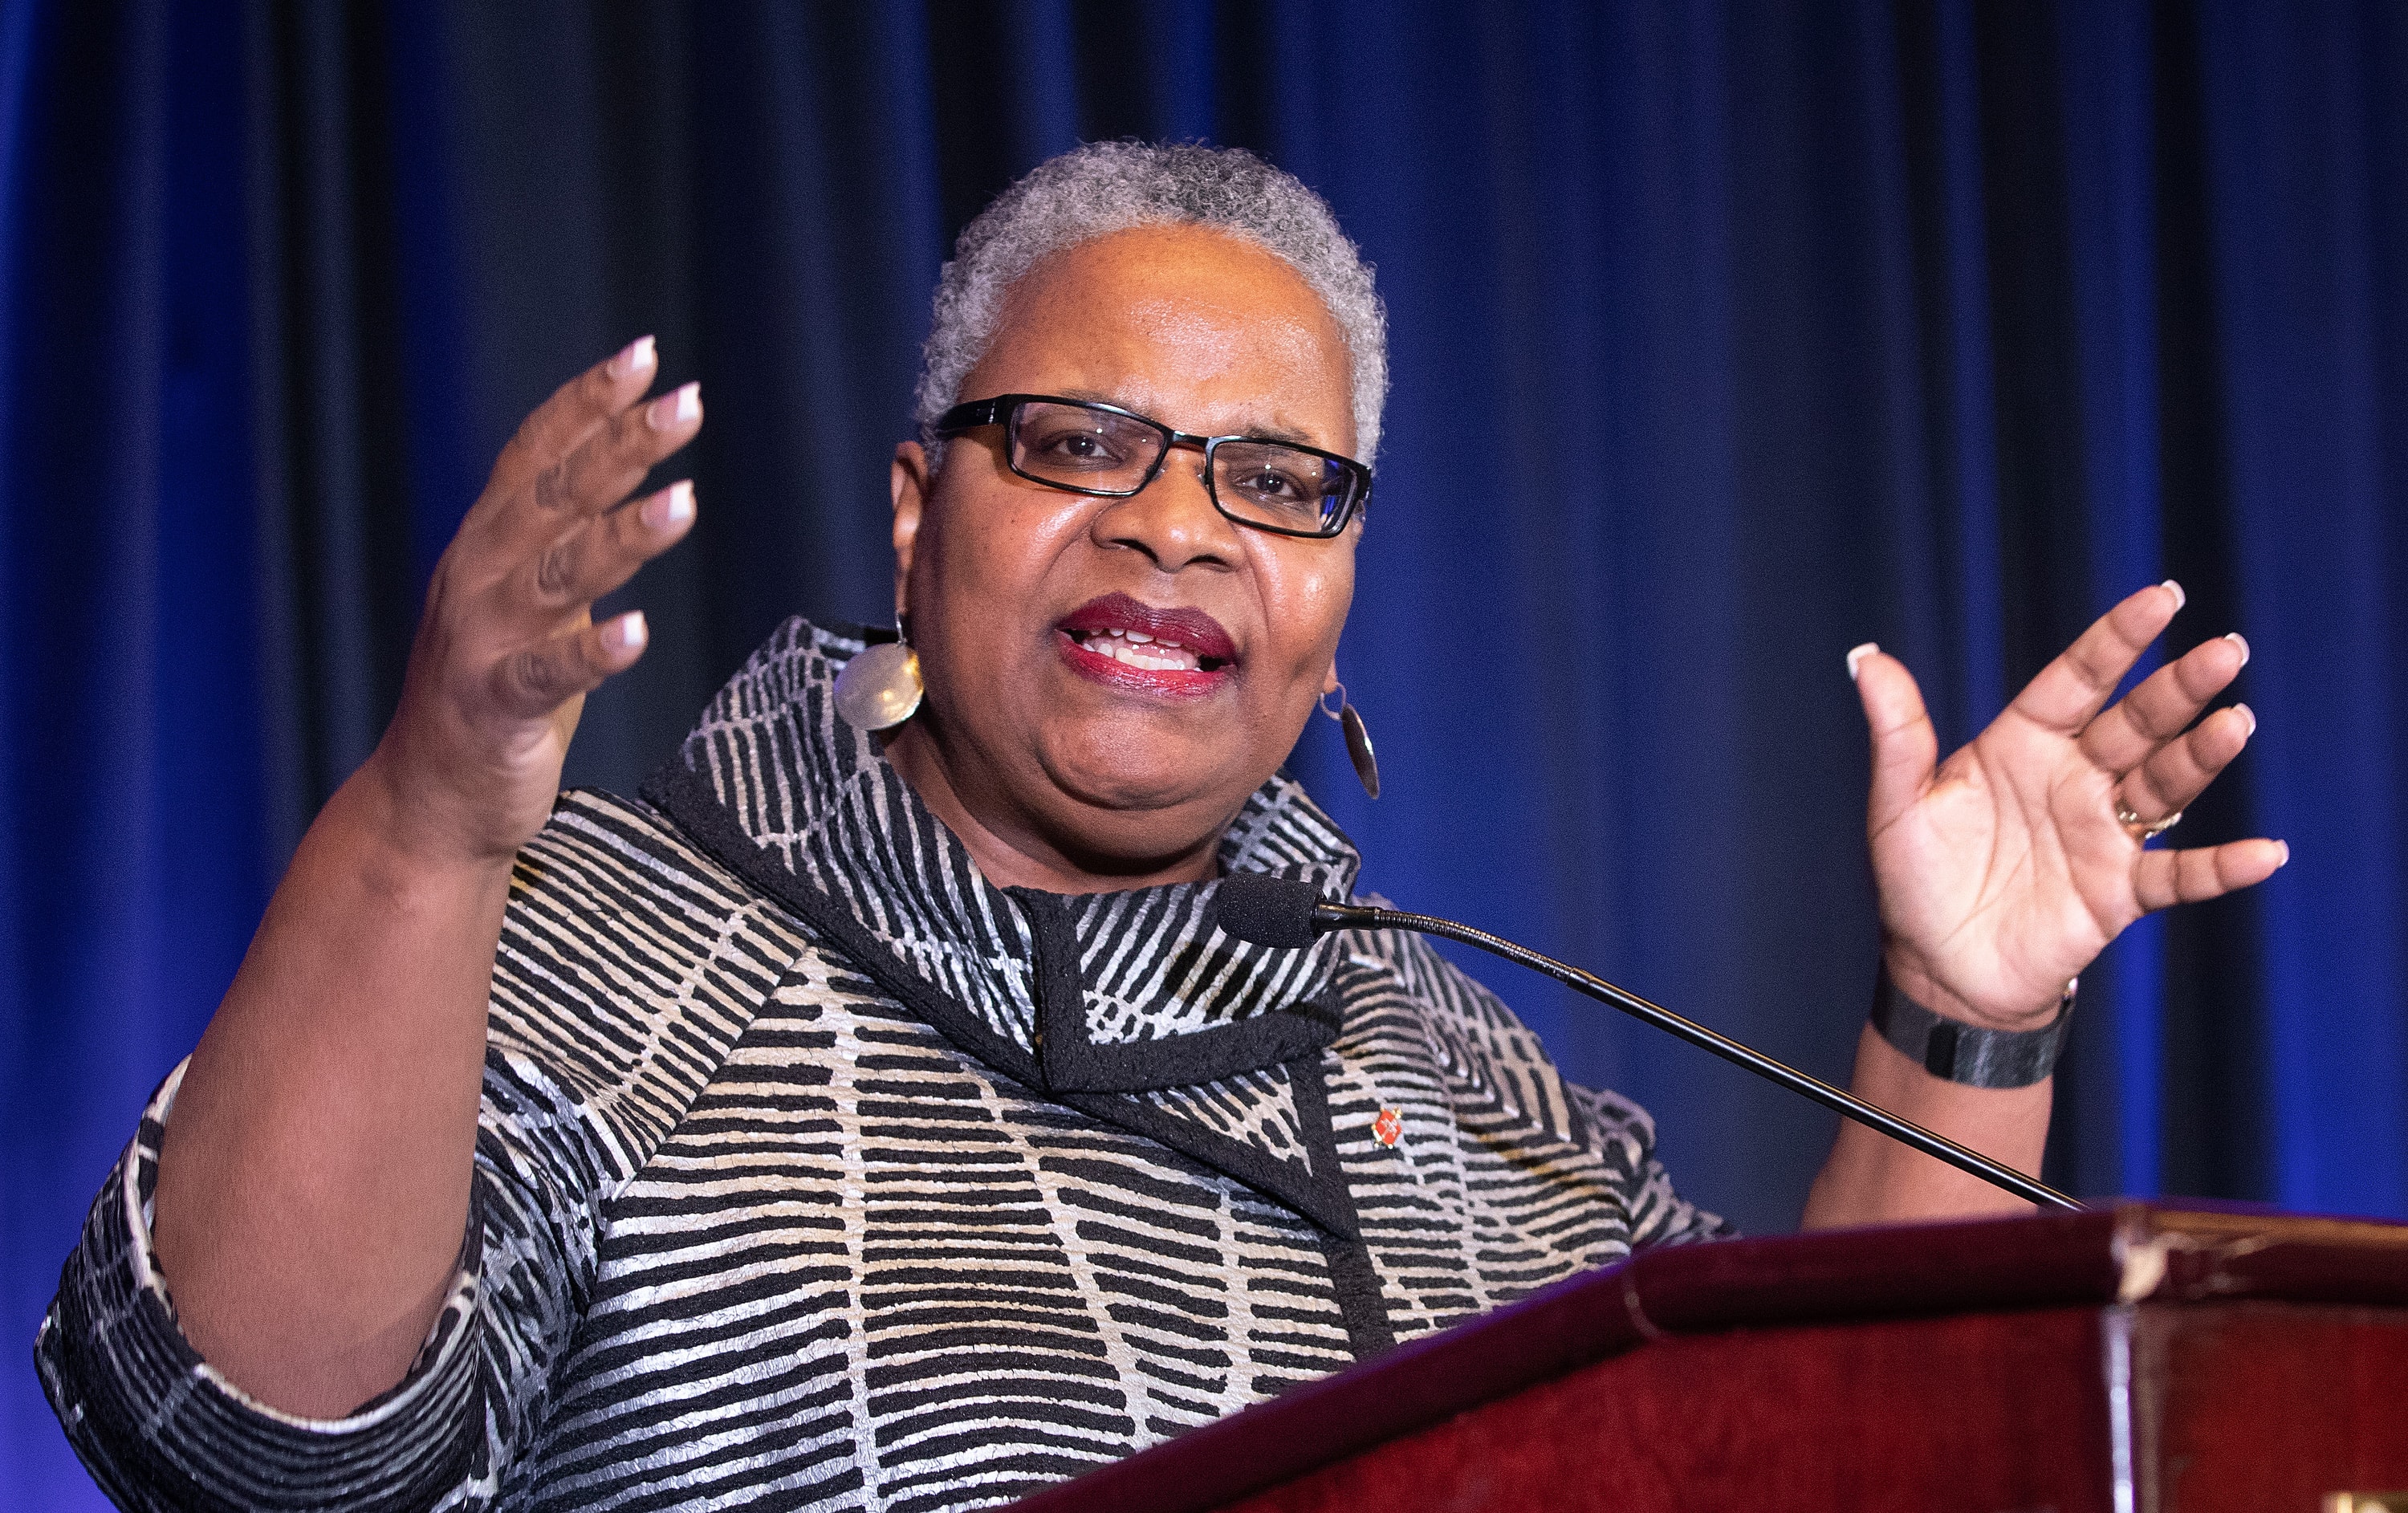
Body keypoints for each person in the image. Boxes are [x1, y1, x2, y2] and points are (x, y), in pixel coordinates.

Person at [38, 143, 2281, 1513]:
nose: (1180, 526)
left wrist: (1962, 1016)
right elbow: (252, 1446)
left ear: (1339, 589)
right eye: (1081, 442)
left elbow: (1818, 1471)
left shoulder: (1436, 1053)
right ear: (915, 512)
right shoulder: (607, 934)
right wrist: (436, 816)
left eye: (1275, 482)